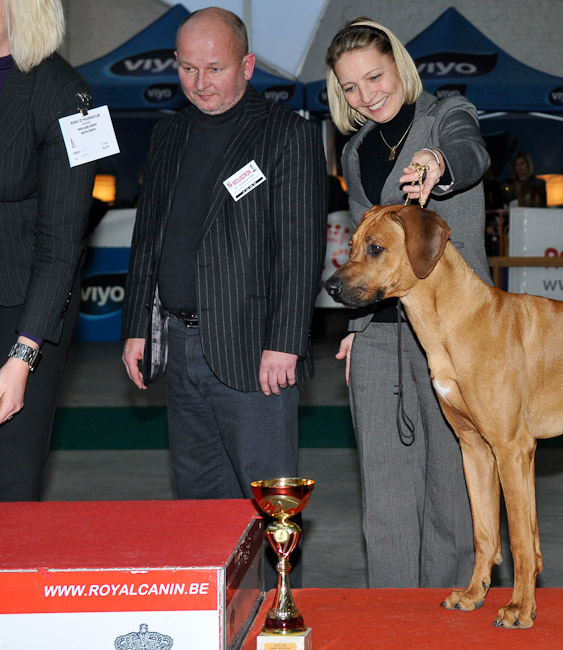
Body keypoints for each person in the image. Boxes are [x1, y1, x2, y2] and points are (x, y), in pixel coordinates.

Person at [120, 6, 326, 584]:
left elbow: (300, 248)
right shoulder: (167, 134)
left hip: (256, 350)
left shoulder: (288, 134)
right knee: (199, 507)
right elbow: (149, 237)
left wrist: (285, 342)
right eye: (187, 69)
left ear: (248, 66)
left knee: (269, 511)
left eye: (214, 69)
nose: (199, 83)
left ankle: (274, 621)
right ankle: (211, 624)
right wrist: (138, 324)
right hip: (180, 348)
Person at [326, 17, 491, 588]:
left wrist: (439, 165)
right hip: (379, 340)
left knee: (453, 489)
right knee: (386, 498)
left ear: (398, 64)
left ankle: (451, 615)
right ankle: (388, 620)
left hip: (456, 338)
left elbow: (471, 153)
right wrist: (356, 326)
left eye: (374, 76)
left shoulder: (446, 115)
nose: (366, 94)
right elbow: (362, 256)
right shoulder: (353, 151)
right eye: (350, 87)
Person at [0, 0, 97, 501]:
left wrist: (21, 359)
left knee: (10, 483)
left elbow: (62, 245)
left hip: (23, 314)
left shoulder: (67, 91)